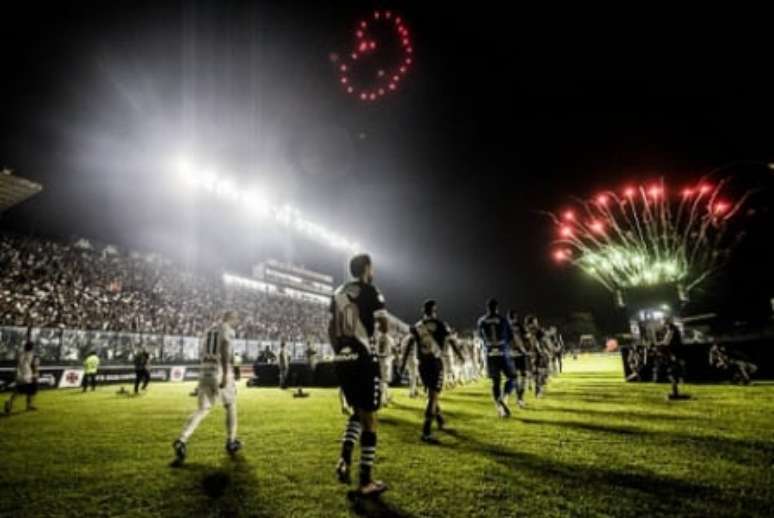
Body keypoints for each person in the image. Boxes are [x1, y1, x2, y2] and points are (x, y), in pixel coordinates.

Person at [330, 253, 390, 497]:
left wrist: (340, 351)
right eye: (372, 267)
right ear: (366, 268)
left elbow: (330, 328)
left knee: (357, 412)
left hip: (343, 359)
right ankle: (366, 480)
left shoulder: (337, 293)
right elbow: (384, 325)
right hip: (364, 358)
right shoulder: (371, 290)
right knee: (371, 418)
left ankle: (344, 459)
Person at [172, 310, 242, 464]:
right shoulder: (228, 330)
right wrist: (225, 373)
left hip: (204, 371)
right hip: (219, 370)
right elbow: (224, 348)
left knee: (202, 409)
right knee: (230, 405)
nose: (238, 322)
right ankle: (231, 441)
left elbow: (203, 351)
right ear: (231, 318)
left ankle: (181, 440)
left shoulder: (209, 330)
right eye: (236, 319)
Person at [401, 299, 464, 443]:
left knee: (432, 394)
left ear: (423, 311)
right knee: (433, 397)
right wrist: (460, 356)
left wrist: (403, 362)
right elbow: (452, 341)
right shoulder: (441, 324)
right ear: (434, 310)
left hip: (422, 365)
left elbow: (409, 344)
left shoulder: (417, 326)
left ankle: (440, 421)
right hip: (435, 364)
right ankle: (426, 431)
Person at [477, 299, 516, 417]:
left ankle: (499, 406)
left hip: (489, 352)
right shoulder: (503, 320)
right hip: (502, 351)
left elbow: (480, 338)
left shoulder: (481, 321)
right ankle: (504, 398)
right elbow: (510, 337)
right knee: (512, 377)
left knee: (496, 381)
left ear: (487, 308)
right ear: (497, 308)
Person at [4, 339, 40, 414]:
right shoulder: (31, 354)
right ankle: (25, 405)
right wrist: (36, 373)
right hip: (27, 375)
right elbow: (34, 365)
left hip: (20, 374)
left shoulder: (21, 353)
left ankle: (11, 402)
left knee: (21, 390)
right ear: (31, 348)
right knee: (27, 389)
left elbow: (18, 363)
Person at [660, 317, 689, 400]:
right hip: (676, 354)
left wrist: (660, 345)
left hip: (674, 354)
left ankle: (675, 393)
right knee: (674, 373)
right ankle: (675, 392)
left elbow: (667, 342)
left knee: (673, 373)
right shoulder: (673, 329)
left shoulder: (671, 330)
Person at [507, 310, 528, 408]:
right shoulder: (519, 326)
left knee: (514, 378)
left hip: (510, 355)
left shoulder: (505, 327)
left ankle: (515, 398)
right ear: (515, 317)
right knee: (523, 376)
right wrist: (525, 349)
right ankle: (520, 399)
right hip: (520, 353)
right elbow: (525, 338)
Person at [376, 332, 395, 407]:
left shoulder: (378, 337)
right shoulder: (388, 338)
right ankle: (381, 400)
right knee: (383, 381)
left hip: (379, 359)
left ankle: (385, 398)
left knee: (382, 381)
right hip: (385, 360)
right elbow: (394, 349)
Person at [399, 334, 420, 398]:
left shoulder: (405, 338)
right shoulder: (413, 337)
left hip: (408, 358)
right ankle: (412, 392)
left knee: (414, 375)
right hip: (412, 357)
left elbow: (402, 348)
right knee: (413, 376)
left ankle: (415, 390)